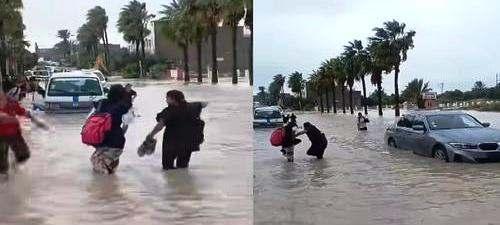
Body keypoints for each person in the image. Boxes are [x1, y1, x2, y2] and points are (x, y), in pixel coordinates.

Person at [146, 90, 207, 170]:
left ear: (173, 99)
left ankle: (172, 181)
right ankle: (183, 180)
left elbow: (160, 125)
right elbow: (203, 104)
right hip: (189, 142)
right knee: (183, 166)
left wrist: (151, 135)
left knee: (167, 167)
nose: (166, 100)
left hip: (172, 142)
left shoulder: (169, 111)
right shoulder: (193, 106)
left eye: (167, 98)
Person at [0, 91, 47, 174]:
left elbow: (23, 112)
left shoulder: (12, 102)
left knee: (25, 155)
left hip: (14, 133)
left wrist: (37, 122)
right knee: (2, 165)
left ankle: (14, 166)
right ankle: (5, 178)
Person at [90, 84, 131, 174]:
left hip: (100, 141)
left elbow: (90, 119)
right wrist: (119, 135)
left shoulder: (100, 103)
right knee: (109, 171)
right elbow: (126, 124)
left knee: (100, 171)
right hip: (116, 143)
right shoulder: (124, 107)